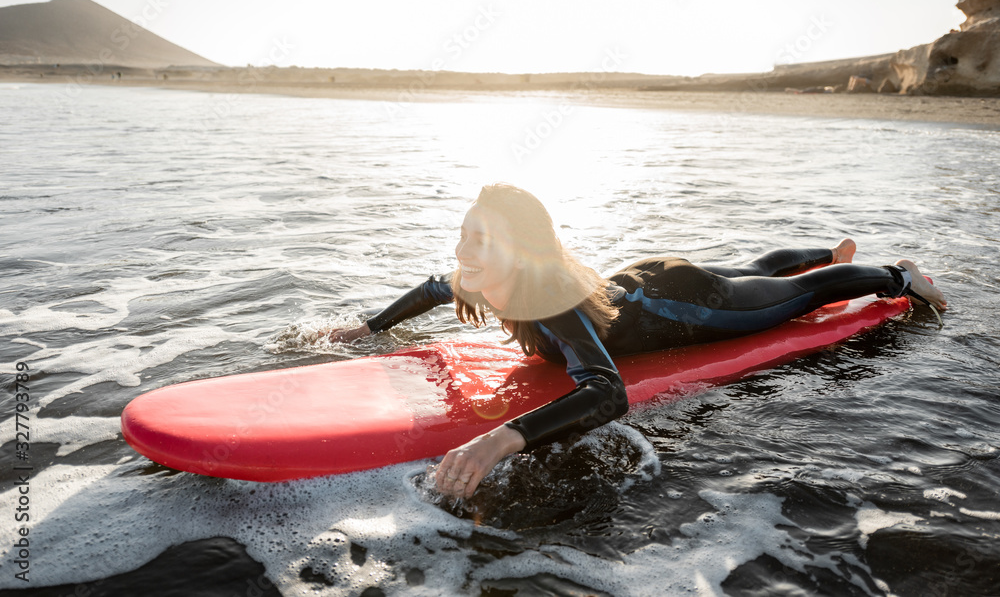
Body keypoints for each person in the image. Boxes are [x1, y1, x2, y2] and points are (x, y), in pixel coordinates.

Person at [327, 184, 946, 499]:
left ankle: (898, 275)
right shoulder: (483, 277)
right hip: (643, 280)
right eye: (464, 233)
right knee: (752, 269)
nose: (464, 252)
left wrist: (501, 438)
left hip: (685, 304)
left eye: (481, 240)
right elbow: (435, 287)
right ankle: (818, 252)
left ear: (523, 251)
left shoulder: (554, 299)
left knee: (793, 298)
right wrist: (369, 329)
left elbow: (607, 392)